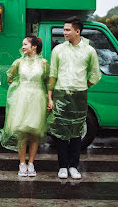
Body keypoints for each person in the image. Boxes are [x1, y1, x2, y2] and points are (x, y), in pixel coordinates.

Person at [47, 16, 101, 179]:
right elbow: (52, 74)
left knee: (77, 131)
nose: (64, 32)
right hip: (60, 93)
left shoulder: (89, 51)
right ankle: (62, 166)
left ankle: (74, 166)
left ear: (77, 31)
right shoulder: (58, 50)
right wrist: (50, 97)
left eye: (67, 29)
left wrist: (83, 86)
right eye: (63, 29)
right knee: (61, 131)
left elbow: (95, 74)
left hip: (79, 94)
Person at [0, 35, 50, 177]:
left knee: (34, 132)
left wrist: (49, 98)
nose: (23, 47)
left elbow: (47, 81)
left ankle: (31, 163)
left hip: (37, 99)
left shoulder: (44, 63)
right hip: (21, 99)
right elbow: (10, 77)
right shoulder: (18, 62)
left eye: (25, 44)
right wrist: (19, 88)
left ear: (34, 46)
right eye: (23, 44)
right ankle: (22, 163)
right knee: (22, 131)